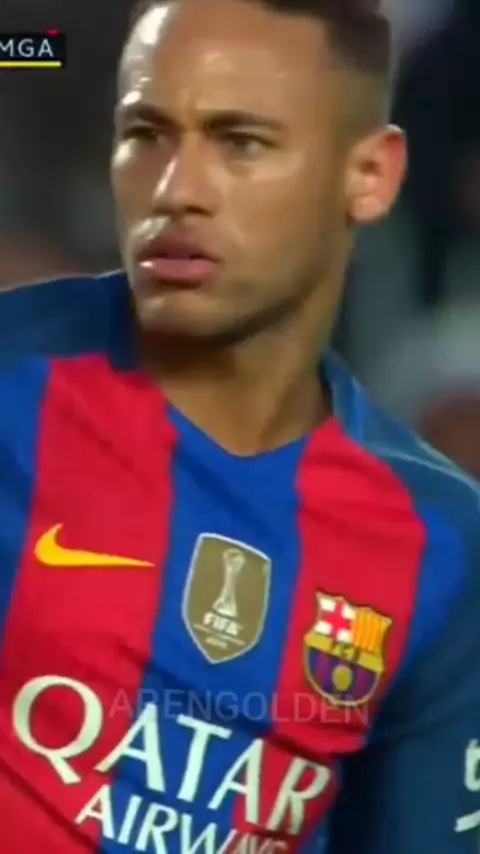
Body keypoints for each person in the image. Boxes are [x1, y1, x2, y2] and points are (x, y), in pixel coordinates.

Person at [0, 0, 479, 852]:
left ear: (370, 175)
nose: (175, 190)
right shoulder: (14, 387)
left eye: (241, 142)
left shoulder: (443, 546)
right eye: (146, 133)